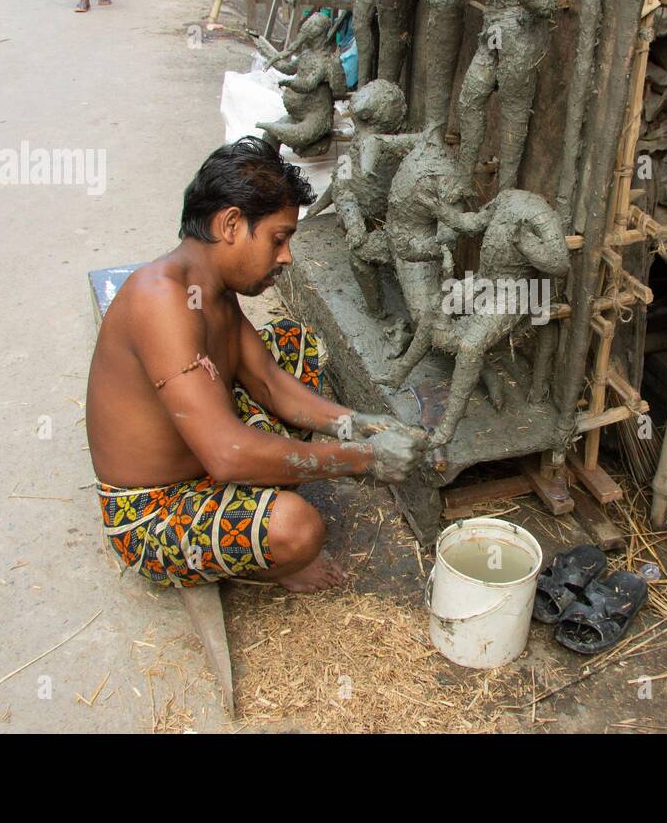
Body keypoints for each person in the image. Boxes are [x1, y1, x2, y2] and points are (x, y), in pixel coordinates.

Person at [85, 136, 427, 591]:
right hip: (152, 510)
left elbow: (268, 383)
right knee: (296, 529)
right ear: (230, 224)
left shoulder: (211, 288)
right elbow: (226, 455)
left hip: (207, 461)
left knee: (293, 346)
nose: (285, 256)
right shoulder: (160, 300)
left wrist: (360, 426)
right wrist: (361, 460)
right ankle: (269, 560)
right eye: (278, 239)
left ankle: (257, 504)